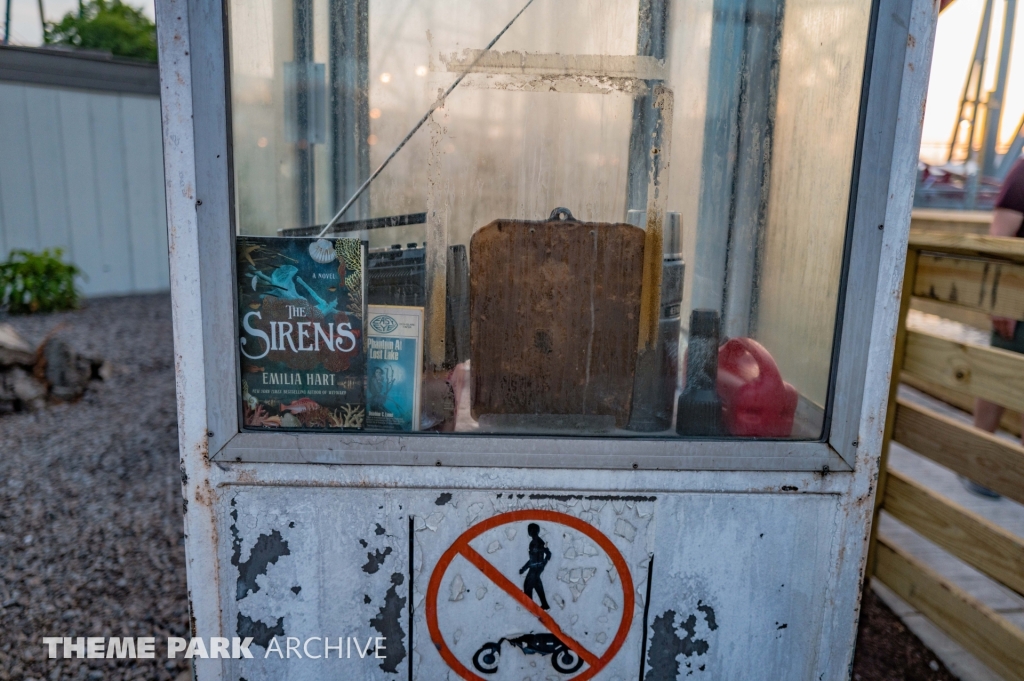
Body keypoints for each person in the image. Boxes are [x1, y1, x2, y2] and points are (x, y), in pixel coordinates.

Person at [967, 157, 1024, 498]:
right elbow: (1000, 237)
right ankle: (977, 465)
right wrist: (1001, 299)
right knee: (999, 379)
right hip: (1019, 303)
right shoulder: (1023, 172)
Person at [519, 523, 551, 610]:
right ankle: (545, 604)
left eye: (530, 530)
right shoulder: (538, 541)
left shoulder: (536, 542)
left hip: (535, 568)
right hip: (537, 567)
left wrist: (524, 569)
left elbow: (547, 554)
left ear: (532, 531)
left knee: (528, 585)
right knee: (537, 584)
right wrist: (543, 563)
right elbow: (547, 554)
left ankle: (530, 606)